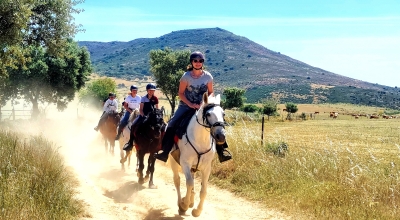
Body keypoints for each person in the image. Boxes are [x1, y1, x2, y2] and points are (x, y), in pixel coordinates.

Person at [154, 51, 232, 163]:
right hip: (186, 106)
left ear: (202, 63)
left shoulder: (208, 76)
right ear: (192, 62)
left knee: (216, 123)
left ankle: (221, 152)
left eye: (200, 61)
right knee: (171, 124)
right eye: (195, 60)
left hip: (203, 106)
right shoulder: (186, 77)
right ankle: (165, 152)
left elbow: (211, 93)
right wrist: (191, 104)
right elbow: (180, 93)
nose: (198, 63)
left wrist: (204, 104)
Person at [123, 83, 159, 151]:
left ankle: (161, 144)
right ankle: (130, 143)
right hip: (144, 115)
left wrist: (157, 116)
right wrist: (143, 116)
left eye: (153, 90)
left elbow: (157, 109)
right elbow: (141, 109)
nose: (151, 92)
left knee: (162, 126)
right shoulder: (143, 98)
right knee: (133, 125)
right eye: (150, 90)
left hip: (152, 116)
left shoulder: (155, 98)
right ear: (147, 90)